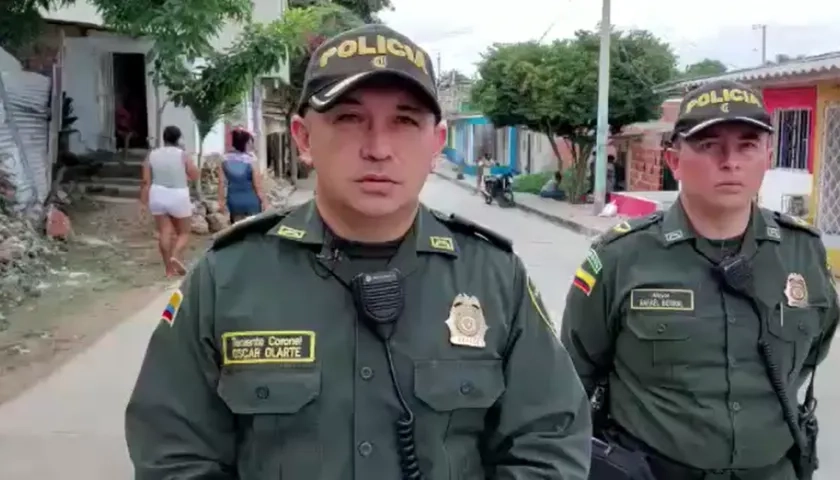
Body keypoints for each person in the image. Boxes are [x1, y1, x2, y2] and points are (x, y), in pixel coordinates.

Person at [125, 24, 592, 480]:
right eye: (349, 118)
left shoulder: (494, 278)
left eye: (405, 121)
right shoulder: (227, 277)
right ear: (303, 137)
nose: (378, 148)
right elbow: (172, 451)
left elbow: (549, 442)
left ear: (437, 143)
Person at [560, 80, 839, 480]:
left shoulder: (803, 252)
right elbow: (573, 376)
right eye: (709, 146)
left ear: (768, 156)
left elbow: (814, 349)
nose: (730, 161)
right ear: (674, 161)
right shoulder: (621, 256)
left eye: (747, 145)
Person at [140, 125, 199, 277]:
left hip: (157, 194)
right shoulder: (182, 154)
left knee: (164, 231)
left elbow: (146, 181)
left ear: (164, 138)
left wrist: (143, 201)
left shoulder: (152, 155)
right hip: (178, 194)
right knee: (184, 232)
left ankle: (168, 270)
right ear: (179, 139)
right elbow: (194, 175)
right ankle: (175, 255)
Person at [217, 128, 267, 223]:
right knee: (253, 230)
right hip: (252, 201)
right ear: (246, 143)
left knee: (237, 230)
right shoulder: (252, 160)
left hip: (234, 202)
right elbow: (258, 186)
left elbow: (221, 183)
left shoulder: (224, 159)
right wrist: (265, 202)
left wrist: (221, 202)